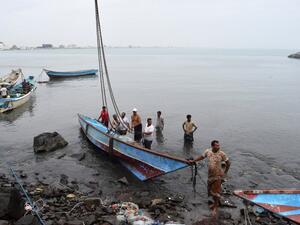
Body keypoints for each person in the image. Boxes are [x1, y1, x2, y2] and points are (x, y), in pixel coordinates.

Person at [190, 140, 230, 217]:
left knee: (215, 193)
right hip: (210, 175)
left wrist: (225, 173)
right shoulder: (208, 152)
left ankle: (215, 208)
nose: (218, 147)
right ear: (212, 146)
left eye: (219, 145)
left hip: (218, 175)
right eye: (216, 145)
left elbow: (228, 163)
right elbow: (201, 157)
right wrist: (194, 160)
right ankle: (216, 202)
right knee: (210, 191)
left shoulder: (222, 154)